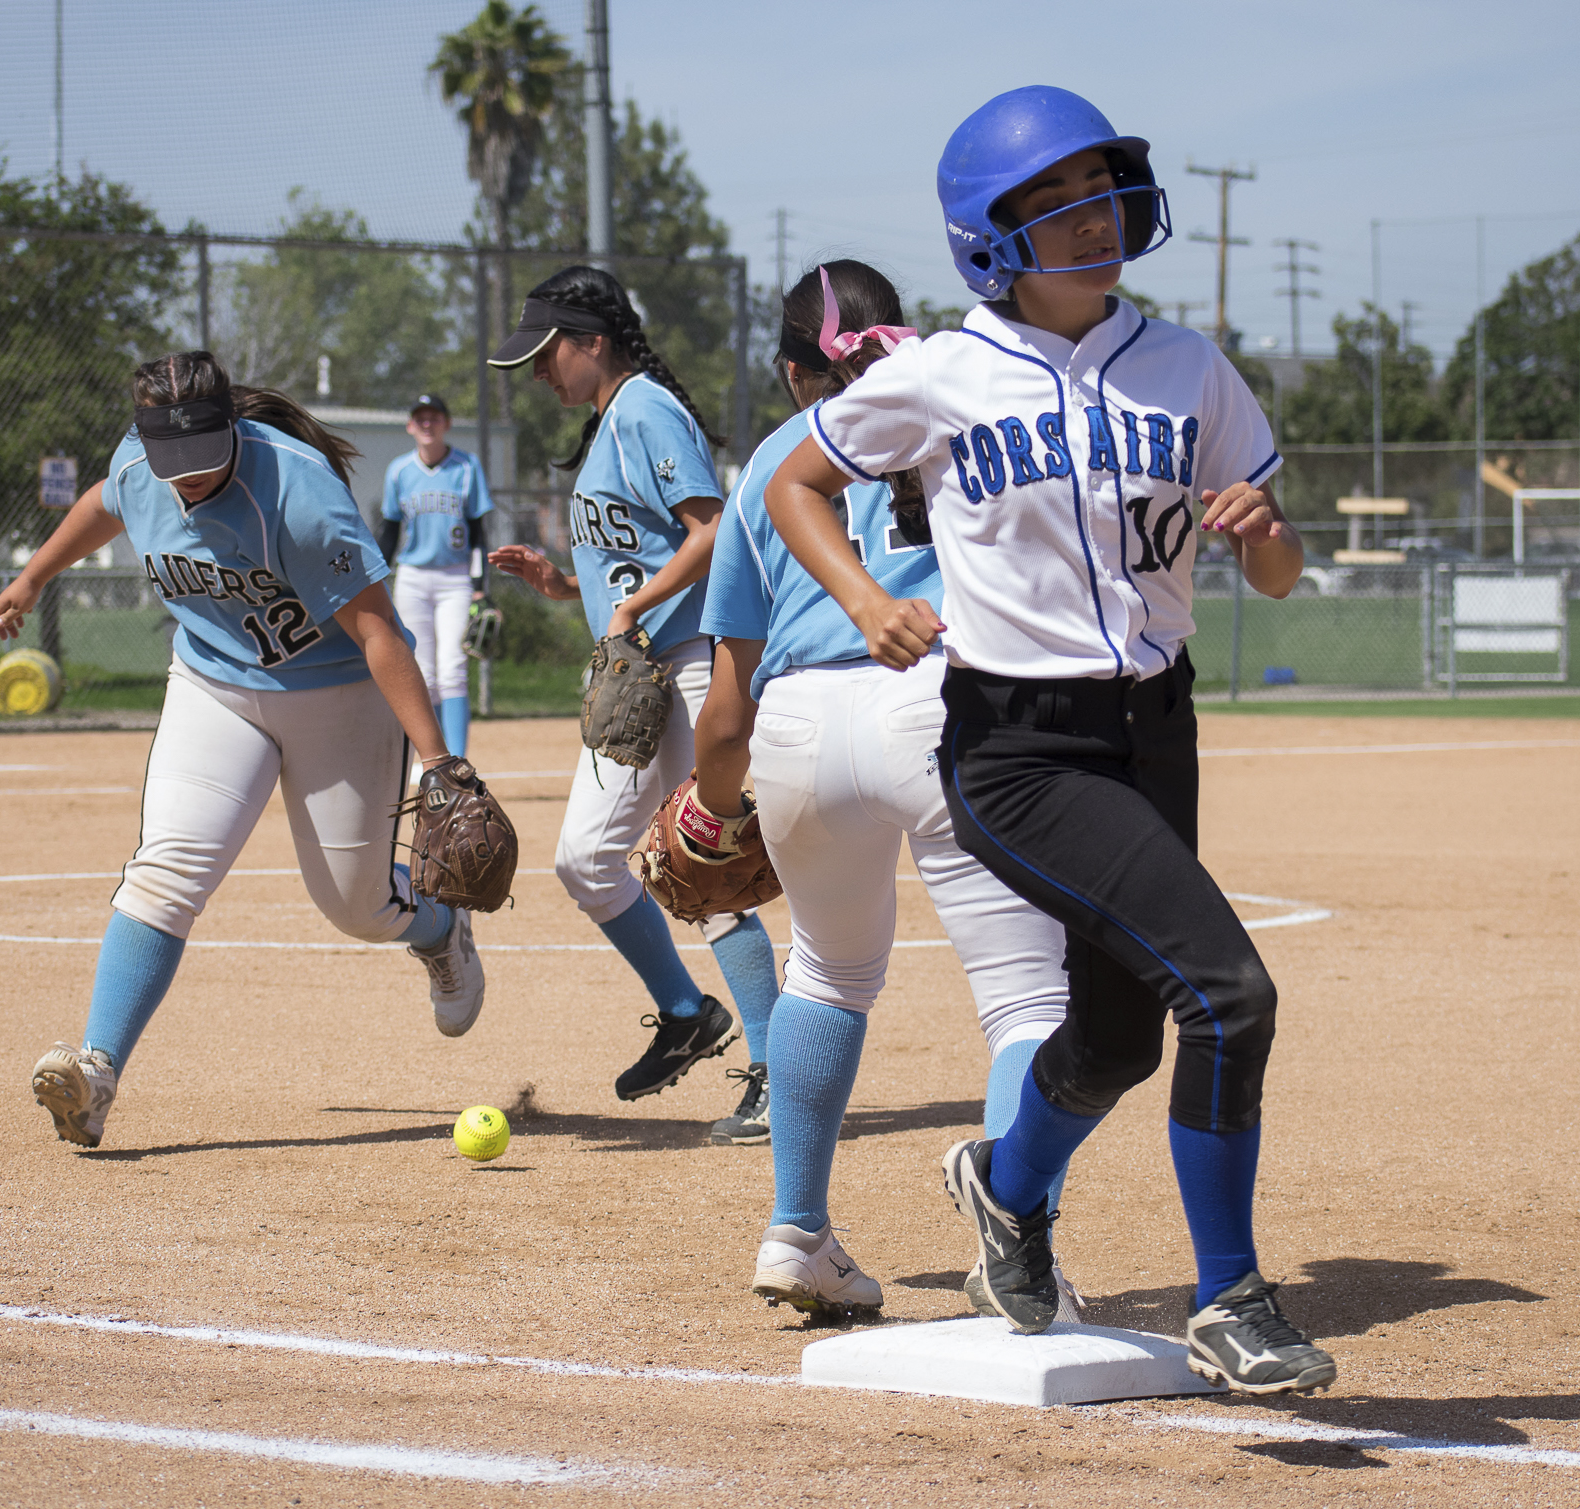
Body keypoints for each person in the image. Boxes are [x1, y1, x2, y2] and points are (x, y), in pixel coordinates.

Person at [762, 87, 1337, 1393]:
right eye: (1055, 201)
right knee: (1231, 992)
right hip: (1017, 745)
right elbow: (798, 477)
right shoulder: (943, 374)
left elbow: (1288, 575)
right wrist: (864, 600)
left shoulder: (1189, 366)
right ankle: (1232, 1295)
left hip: (1155, 727)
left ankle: (1004, 1188)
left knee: (1119, 1039)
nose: (1094, 218)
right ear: (989, 237)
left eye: (1102, 189)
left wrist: (1264, 533)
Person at [693, 261, 1077, 1320]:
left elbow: (725, 704)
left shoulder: (771, 462)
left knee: (823, 973)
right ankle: (1015, 1261)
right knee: (1026, 996)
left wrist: (709, 805)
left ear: (789, 373)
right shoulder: (950, 418)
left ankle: (795, 1232)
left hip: (799, 727)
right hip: (937, 703)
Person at [0, 352, 488, 1150]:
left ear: (233, 427)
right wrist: (34, 576)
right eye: (171, 464)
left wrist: (439, 762)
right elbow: (104, 502)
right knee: (166, 869)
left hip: (337, 694)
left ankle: (438, 929)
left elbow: (376, 631)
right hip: (215, 683)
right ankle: (97, 1075)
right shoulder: (140, 463)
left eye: (203, 459)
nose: (187, 479)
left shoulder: (300, 492)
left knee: (355, 905)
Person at [483, 267, 779, 1131]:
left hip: (680, 660)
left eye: (547, 353)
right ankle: (693, 1017)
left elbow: (712, 526)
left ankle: (761, 1059)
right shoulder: (612, 418)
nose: (540, 372)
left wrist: (635, 606)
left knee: (694, 862)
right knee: (622, 860)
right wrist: (560, 581)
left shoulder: (644, 405)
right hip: (648, 662)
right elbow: (639, 553)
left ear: (593, 339)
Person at [379, 392, 493, 760]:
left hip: (455, 578)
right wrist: (378, 579)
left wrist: (479, 587)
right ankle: (434, 757)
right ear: (411, 426)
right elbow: (389, 533)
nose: (427, 424)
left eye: (435, 418)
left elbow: (478, 532)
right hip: (411, 577)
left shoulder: (466, 467)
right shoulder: (399, 470)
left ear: (446, 423)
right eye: (420, 418)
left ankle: (456, 760)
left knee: (453, 669)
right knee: (422, 672)